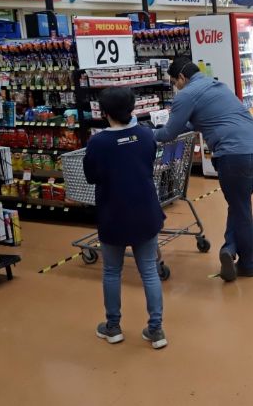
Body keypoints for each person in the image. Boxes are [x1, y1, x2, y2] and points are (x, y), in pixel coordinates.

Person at [156, 57, 253, 283]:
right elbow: (203, 120)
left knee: (241, 210)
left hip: (234, 155)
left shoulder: (186, 95)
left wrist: (146, 133)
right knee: (239, 206)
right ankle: (229, 248)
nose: (175, 87)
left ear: (181, 77)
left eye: (174, 82)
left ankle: (248, 265)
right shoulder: (217, 86)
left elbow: (168, 134)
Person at [84, 87, 167, 349]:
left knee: (111, 271)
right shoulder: (144, 135)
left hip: (113, 213)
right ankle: (156, 330)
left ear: (104, 113)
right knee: (149, 272)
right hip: (145, 211)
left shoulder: (98, 143)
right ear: (132, 108)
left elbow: (91, 176)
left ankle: (113, 327)